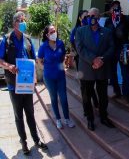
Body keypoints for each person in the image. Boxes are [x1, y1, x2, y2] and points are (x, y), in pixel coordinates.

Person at [0, 12, 48, 155]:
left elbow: (32, 60)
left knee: (30, 114)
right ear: (15, 23)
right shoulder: (6, 40)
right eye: (21, 21)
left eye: (24, 20)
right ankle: (24, 142)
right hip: (14, 85)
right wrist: (9, 67)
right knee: (18, 116)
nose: (24, 23)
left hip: (27, 85)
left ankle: (36, 139)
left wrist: (34, 78)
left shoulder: (28, 40)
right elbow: (0, 60)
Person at [75, 8, 115, 131]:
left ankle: (103, 117)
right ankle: (90, 119)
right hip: (87, 68)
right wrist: (94, 60)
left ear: (98, 18)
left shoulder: (107, 32)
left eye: (94, 16)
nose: (91, 18)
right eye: (89, 16)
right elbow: (80, 49)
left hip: (102, 69)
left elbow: (112, 48)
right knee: (87, 96)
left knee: (103, 95)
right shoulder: (80, 31)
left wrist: (102, 59)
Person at [37, 25, 75, 129]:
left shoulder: (60, 43)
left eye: (55, 31)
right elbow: (39, 60)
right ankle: (58, 119)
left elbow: (63, 56)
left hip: (60, 75)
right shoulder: (43, 46)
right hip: (49, 77)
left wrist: (60, 65)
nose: (54, 33)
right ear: (47, 34)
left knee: (63, 98)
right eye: (52, 32)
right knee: (53, 98)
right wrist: (44, 68)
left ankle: (67, 119)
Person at [104, 1, 129, 101]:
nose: (115, 9)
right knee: (112, 72)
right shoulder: (108, 21)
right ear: (110, 10)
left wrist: (128, 45)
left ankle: (126, 94)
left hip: (123, 49)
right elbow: (106, 36)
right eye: (113, 7)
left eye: (117, 6)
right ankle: (117, 92)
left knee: (125, 72)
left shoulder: (127, 18)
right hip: (111, 50)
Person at [70, 9, 99, 111]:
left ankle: (95, 101)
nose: (88, 18)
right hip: (81, 59)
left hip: (91, 59)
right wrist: (78, 52)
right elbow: (71, 40)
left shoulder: (92, 28)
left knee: (91, 82)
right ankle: (87, 108)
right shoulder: (77, 29)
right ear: (80, 18)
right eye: (85, 17)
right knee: (84, 84)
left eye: (88, 16)